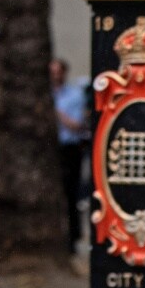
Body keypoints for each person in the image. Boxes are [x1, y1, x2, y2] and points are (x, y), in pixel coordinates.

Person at [50, 59, 88, 255]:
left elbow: (76, 125)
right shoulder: (45, 94)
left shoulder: (74, 95)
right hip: (51, 149)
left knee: (71, 192)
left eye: (58, 72)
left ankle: (73, 238)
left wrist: (56, 113)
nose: (55, 76)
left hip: (70, 148)